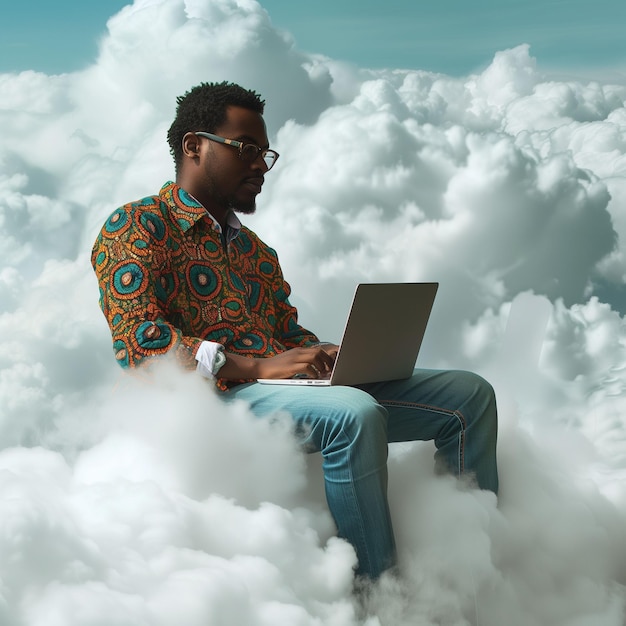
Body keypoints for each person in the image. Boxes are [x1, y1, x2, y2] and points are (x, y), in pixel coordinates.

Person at [92, 81, 499, 580]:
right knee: (354, 415)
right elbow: (137, 342)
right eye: (247, 149)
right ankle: (382, 598)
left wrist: (328, 354)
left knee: (468, 396)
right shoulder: (135, 226)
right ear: (193, 146)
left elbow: (284, 332)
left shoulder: (254, 251)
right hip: (203, 401)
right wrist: (254, 365)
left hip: (275, 388)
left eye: (266, 153)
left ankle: (471, 575)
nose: (261, 165)